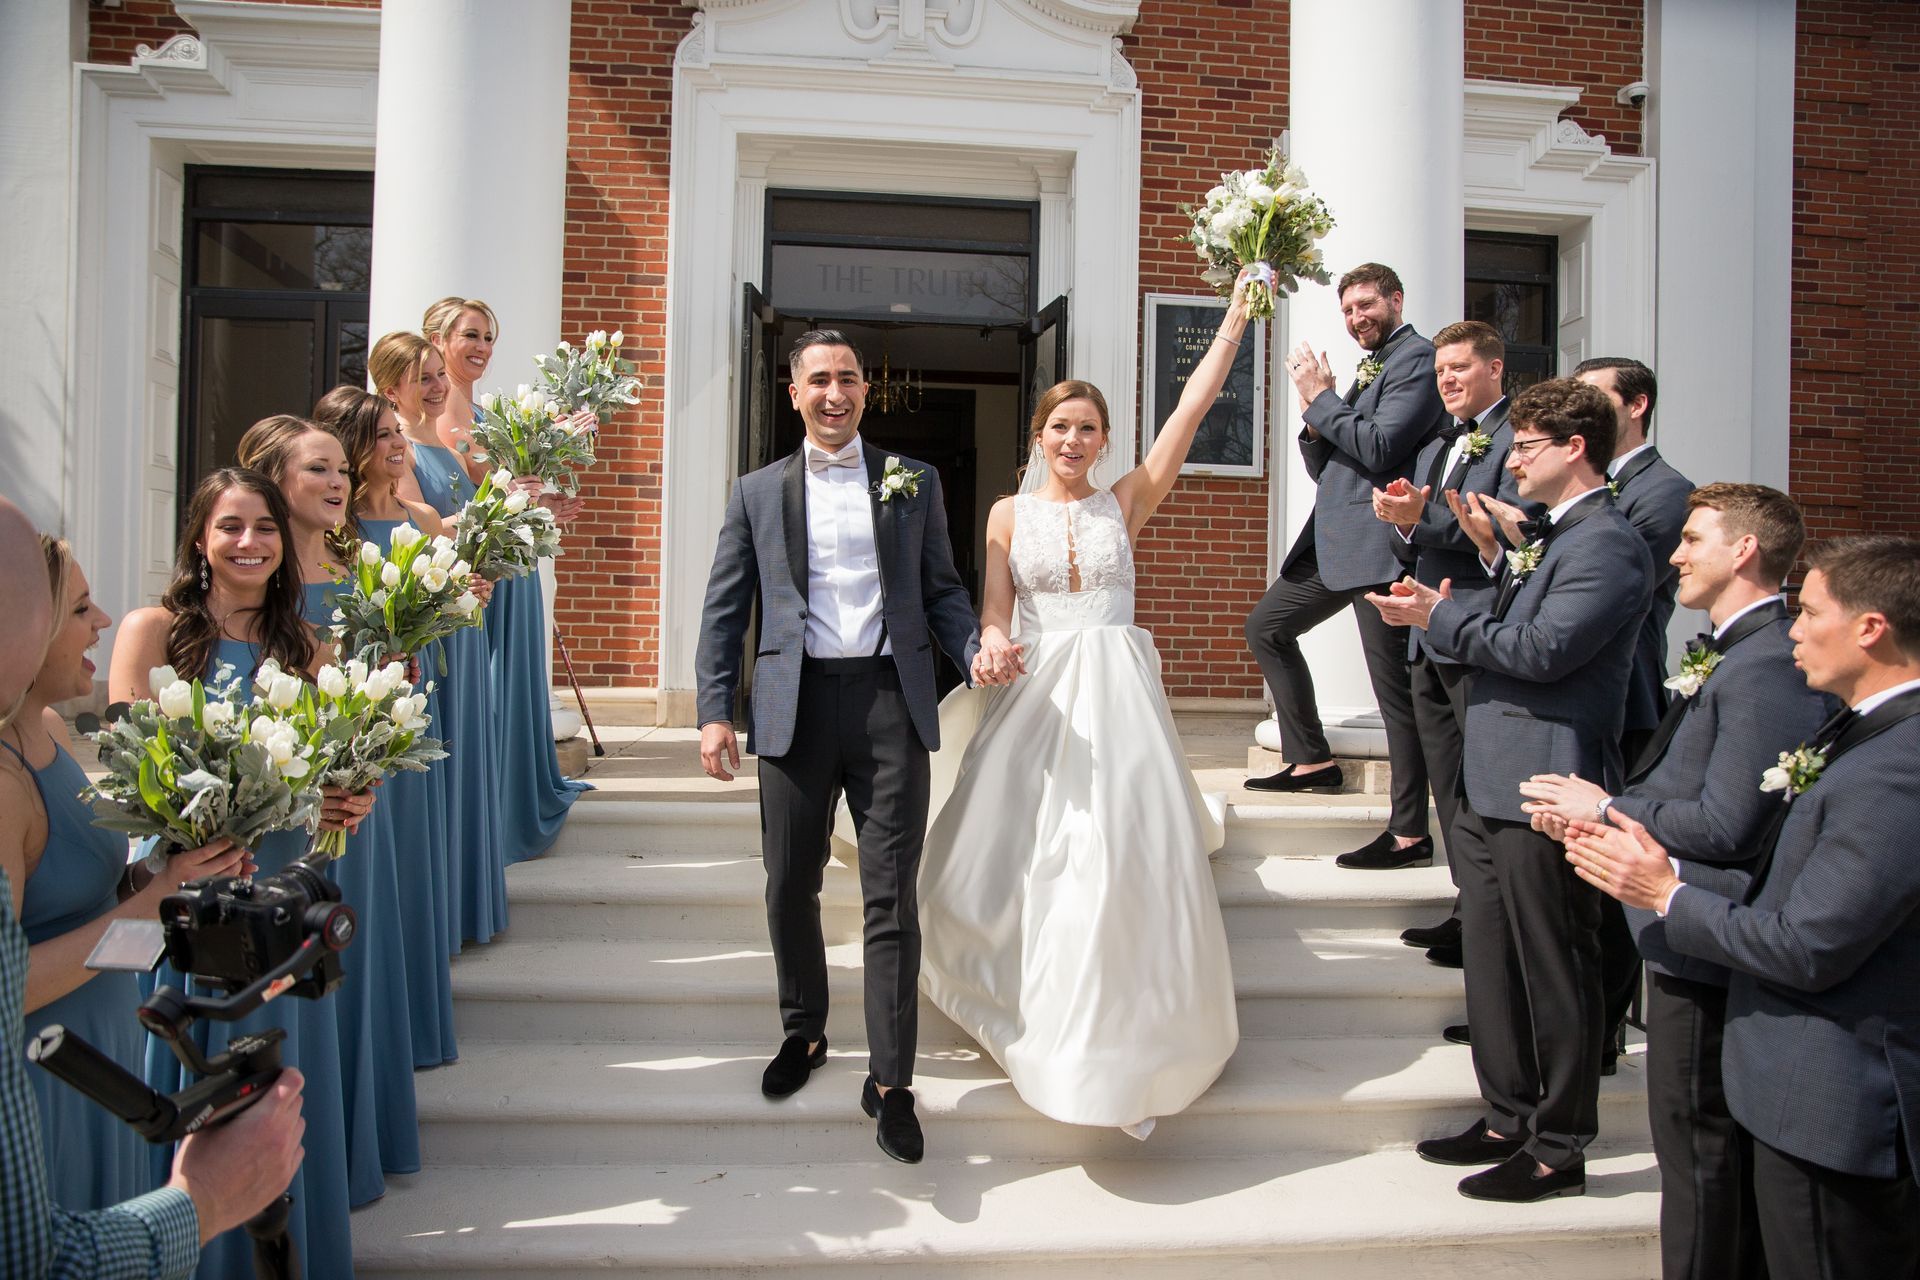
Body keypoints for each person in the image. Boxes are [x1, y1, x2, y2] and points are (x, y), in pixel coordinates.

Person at [913, 272, 1258, 1139]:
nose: (1075, 439)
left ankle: (1126, 1031)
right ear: (1040, 437)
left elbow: (1189, 410)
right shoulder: (1003, 511)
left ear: (1105, 442)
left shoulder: (1128, 498)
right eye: (1061, 426)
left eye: (1090, 428)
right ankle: (1021, 994)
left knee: (1112, 849)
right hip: (1037, 693)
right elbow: (995, 605)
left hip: (1117, 693)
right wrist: (992, 645)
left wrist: (1234, 323)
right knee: (1029, 847)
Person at [1567, 535, 1920, 1280]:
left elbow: (1809, 945)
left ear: (1871, 627)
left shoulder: (1900, 767)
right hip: (1787, 1088)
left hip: (1835, 1106)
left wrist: (1665, 893)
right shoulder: (1860, 728)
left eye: (1811, 611)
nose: (1791, 627)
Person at [1519, 483, 1831, 1280]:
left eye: (1693, 540)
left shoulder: (1765, 667)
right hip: (1681, 932)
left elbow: (1732, 825)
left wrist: (1610, 802)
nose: (1678, 554)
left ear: (1745, 551)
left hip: (1707, 945)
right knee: (1694, 1156)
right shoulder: (1732, 649)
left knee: (1699, 1161)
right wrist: (1606, 823)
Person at [695, 328, 980, 1164]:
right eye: (818, 379)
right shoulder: (755, 493)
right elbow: (724, 610)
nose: (834, 393)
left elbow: (943, 591)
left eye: (848, 379)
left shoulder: (911, 481)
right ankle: (804, 1031)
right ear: (793, 393)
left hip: (893, 700)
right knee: (790, 883)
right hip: (794, 705)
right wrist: (716, 710)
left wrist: (974, 651)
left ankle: (893, 1083)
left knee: (892, 894)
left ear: (866, 390)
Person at [1367, 378, 1651, 1202]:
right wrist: (1471, 580)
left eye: (1525, 446)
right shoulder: (1554, 535)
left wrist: (1436, 618)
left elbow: (1546, 649)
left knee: (1553, 964)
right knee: (1492, 959)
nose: (1512, 458)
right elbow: (1520, 616)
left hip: (1546, 778)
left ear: (1574, 449)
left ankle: (1560, 1146)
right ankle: (1505, 1114)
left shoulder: (1606, 541)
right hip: (1493, 775)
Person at [107, 470, 354, 1278]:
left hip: (275, 880)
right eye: (231, 526)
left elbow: (337, 775)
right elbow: (123, 769)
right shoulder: (152, 633)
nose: (249, 543)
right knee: (189, 1057)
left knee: (273, 1062)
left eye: (265, 529)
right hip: (184, 879)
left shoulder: (308, 647)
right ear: (200, 538)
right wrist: (184, 848)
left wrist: (347, 804)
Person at [4, 538, 246, 1210]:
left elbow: (81, 900)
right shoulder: (2, 784)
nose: (104, 620)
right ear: (25, 632)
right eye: (81, 608)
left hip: (101, 1060)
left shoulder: (48, 728)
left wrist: (164, 881)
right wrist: (143, 909)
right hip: (38, 1083)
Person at [236, 414, 420, 1201]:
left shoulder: (358, 571)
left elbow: (354, 709)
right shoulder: (189, 623)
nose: (339, 480)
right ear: (273, 483)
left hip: (329, 823)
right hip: (234, 853)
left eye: (339, 468)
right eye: (317, 470)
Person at [1243, 263, 1446, 874]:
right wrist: (1321, 409)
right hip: (1334, 546)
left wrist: (1321, 399)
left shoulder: (1416, 359)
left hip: (1382, 548)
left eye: (1367, 305)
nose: (1358, 317)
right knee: (1266, 627)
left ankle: (1410, 832)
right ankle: (1312, 759)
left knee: (1397, 699)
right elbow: (1332, 464)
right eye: (1349, 309)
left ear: (1395, 299)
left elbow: (1381, 448)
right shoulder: (1374, 366)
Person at [1361, 321, 1538, 973]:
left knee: (1477, 780)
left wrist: (1423, 519)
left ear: (1495, 368)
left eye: (1459, 368)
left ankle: (1489, 922)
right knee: (1449, 787)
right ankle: (1469, 911)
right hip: (1428, 635)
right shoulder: (1444, 440)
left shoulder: (1519, 437)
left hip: (1475, 627)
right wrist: (1402, 523)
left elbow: (1512, 528)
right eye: (1440, 372)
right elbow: (1428, 526)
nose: (1448, 381)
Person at [312, 386, 460, 1071]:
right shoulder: (328, 541)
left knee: (402, 861)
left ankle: (402, 1020)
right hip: (340, 718)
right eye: (383, 437)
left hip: (404, 706)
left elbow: (447, 608)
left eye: (402, 435)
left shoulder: (424, 517)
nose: (400, 447)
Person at [423, 297, 588, 866]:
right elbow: (483, 484)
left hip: (507, 559)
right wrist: (539, 459)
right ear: (438, 338)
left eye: (489, 337)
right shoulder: (443, 410)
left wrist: (544, 499)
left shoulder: (477, 405)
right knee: (485, 692)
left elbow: (505, 487)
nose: (483, 348)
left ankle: (513, 792)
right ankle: (494, 808)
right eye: (471, 335)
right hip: (481, 568)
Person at [371, 330, 510, 948]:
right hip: (428, 619)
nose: (435, 386)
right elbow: (403, 529)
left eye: (436, 375)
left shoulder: (440, 440)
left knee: (462, 754)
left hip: (461, 612)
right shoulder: (395, 447)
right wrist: (484, 520)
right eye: (422, 376)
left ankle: (458, 903)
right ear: (390, 386)